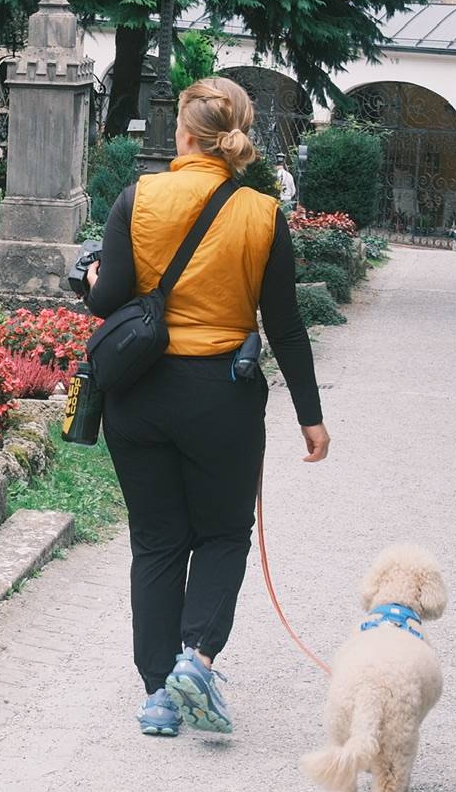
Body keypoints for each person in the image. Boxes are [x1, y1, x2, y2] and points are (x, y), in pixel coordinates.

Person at [83, 76, 329, 738]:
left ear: (185, 134)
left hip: (139, 394)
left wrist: (93, 278)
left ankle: (158, 696)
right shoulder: (263, 214)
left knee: (156, 540)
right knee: (222, 534)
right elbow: (285, 326)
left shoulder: (139, 197)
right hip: (222, 396)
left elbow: (107, 302)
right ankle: (196, 658)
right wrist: (310, 416)